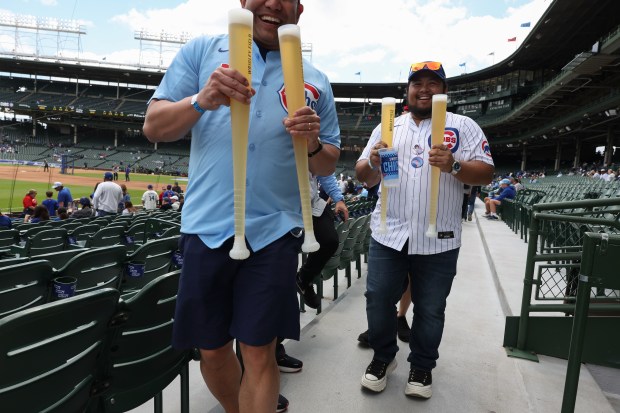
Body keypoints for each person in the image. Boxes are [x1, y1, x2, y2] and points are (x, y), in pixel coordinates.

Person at [142, 1, 340, 411]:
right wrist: (203, 98)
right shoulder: (201, 52)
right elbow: (154, 126)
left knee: (258, 351)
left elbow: (327, 162)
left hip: (275, 231)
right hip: (207, 225)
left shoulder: (315, 80)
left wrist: (314, 143)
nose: (272, 4)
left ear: (299, 10)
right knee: (212, 352)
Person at [355, 61, 494, 399]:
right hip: (389, 232)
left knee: (430, 308)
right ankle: (383, 357)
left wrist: (455, 164)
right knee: (377, 300)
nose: (425, 89)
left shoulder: (463, 125)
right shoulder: (389, 126)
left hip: (439, 237)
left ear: (444, 90)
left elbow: (487, 172)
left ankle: (422, 366)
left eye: (434, 83)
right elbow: (365, 175)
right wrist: (372, 162)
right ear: (408, 90)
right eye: (418, 83)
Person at [296, 174, 348, 309]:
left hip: (312, 202)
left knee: (329, 240)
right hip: (282, 207)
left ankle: (304, 278)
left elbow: (324, 172)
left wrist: (339, 199)